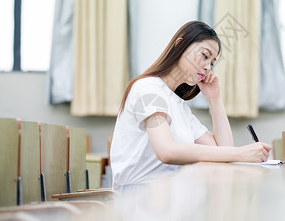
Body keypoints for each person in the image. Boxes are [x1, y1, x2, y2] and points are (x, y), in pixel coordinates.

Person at [110, 21, 271, 192]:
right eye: (204, 55)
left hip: (170, 195)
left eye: (212, 62)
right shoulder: (148, 89)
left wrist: (214, 100)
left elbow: (224, 150)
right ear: (180, 45)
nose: (208, 67)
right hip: (139, 198)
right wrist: (241, 154)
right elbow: (166, 151)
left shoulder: (179, 106)